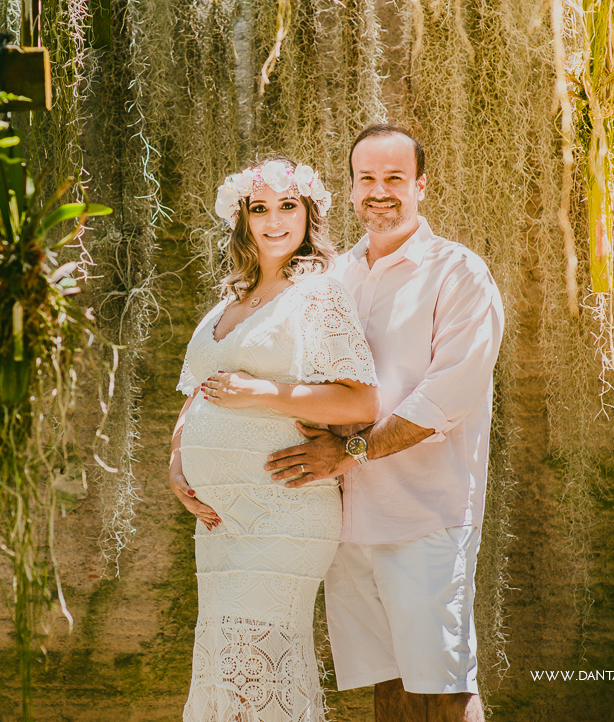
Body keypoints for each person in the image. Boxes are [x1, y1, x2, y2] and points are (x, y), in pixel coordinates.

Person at [262, 124, 504, 722]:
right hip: (347, 521)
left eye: (395, 178)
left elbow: (447, 394)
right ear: (349, 191)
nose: (381, 192)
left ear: (421, 185)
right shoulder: (330, 278)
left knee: (444, 685)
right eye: (367, 179)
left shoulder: (459, 273)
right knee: (387, 685)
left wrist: (350, 453)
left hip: (426, 515)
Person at [169, 157, 380, 722]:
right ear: (242, 219)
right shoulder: (229, 302)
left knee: (254, 664)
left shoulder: (318, 295)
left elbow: (361, 402)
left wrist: (261, 392)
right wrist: (176, 458)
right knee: (226, 668)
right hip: (219, 524)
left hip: (281, 512)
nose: (274, 221)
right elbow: (198, 393)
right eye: (259, 209)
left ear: (309, 212)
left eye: (287, 206)